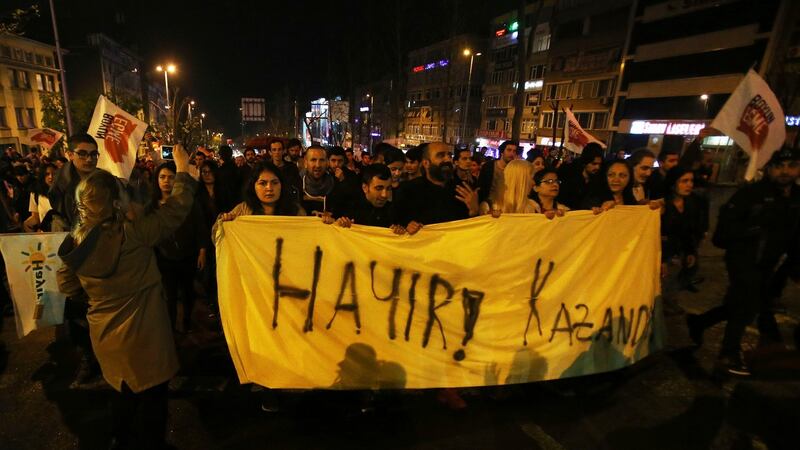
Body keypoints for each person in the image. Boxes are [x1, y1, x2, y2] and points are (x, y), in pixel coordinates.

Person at [56, 144, 199, 449]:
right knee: (153, 396)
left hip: (105, 333)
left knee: (120, 391)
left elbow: (67, 285)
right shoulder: (134, 233)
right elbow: (176, 209)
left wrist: (96, 298)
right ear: (114, 201)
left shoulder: (75, 243)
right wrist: (183, 170)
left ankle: (121, 440)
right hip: (146, 331)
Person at [687, 147, 800, 376]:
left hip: (771, 263)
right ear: (769, 168)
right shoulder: (751, 195)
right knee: (747, 304)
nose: (785, 172)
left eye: (792, 166)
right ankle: (728, 354)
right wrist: (755, 229)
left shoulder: (797, 197)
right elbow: (722, 235)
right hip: (743, 259)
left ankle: (699, 323)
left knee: (742, 303)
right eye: (780, 166)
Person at [48, 133, 103, 385]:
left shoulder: (104, 181)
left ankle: (104, 355)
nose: (89, 158)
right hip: (74, 255)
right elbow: (59, 221)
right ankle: (88, 358)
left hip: (101, 253)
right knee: (77, 310)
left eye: (93, 154)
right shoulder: (60, 186)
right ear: (70, 154)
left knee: (101, 308)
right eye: (83, 153)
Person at [150, 162, 209, 333]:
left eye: (171, 177)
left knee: (188, 292)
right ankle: (171, 329)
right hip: (164, 258)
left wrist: (202, 251)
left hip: (188, 255)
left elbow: (200, 226)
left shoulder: (187, 201)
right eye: (162, 177)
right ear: (157, 180)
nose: (166, 181)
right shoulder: (152, 206)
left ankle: (187, 321)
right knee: (170, 295)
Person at [394, 142, 479, 235]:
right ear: (426, 163)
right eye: (441, 155)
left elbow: (470, 230)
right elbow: (396, 222)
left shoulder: (462, 190)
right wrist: (407, 225)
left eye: (449, 155)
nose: (447, 159)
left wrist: (474, 211)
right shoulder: (408, 190)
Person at [659, 166, 705, 315]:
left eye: (691, 181)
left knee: (674, 280)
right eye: (684, 181)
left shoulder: (692, 203)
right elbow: (658, 234)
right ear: (673, 183)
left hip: (679, 251)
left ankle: (670, 302)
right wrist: (662, 259)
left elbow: (689, 230)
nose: (689, 185)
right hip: (663, 251)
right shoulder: (662, 204)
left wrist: (690, 251)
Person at [324, 164, 405, 233]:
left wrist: (398, 231)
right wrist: (339, 225)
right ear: (365, 187)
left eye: (388, 188)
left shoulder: (394, 211)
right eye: (379, 188)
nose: (384, 195)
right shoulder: (348, 208)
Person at [557, 143, 603, 209]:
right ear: (585, 162)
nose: (597, 167)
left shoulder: (598, 181)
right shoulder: (569, 178)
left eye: (599, 164)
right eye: (594, 164)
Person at [478, 140, 521, 204]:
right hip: (488, 204)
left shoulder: (515, 169)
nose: (512, 153)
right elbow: (481, 186)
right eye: (509, 150)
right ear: (502, 152)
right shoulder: (489, 166)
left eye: (514, 151)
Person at [300, 146, 335, 216]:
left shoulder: (335, 184)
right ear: (305, 162)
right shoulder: (296, 184)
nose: (318, 165)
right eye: (313, 160)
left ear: (327, 162)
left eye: (322, 160)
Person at [23, 163, 57, 231]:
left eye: (54, 174)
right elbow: (36, 217)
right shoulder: (35, 194)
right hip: (46, 235)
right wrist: (26, 224)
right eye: (47, 174)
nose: (51, 177)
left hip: (62, 233)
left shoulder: (64, 192)